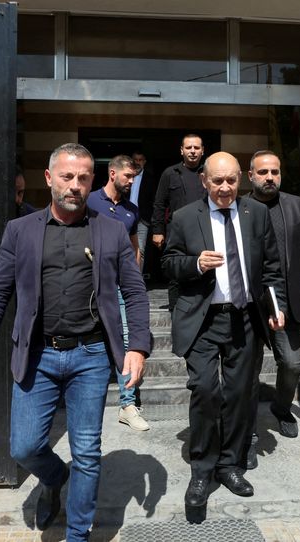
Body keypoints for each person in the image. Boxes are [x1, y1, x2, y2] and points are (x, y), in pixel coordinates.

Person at [0, 143, 151, 541]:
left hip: (91, 356)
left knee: (87, 451)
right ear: (49, 178)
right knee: (24, 447)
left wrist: (137, 346)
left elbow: (135, 293)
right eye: (67, 177)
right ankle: (54, 477)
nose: (75, 186)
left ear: (92, 181)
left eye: (83, 178)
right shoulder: (21, 231)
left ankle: (76, 534)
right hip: (38, 355)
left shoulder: (112, 231)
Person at [161, 151, 286, 522]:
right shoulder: (185, 217)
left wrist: (275, 305)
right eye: (218, 181)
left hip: (245, 318)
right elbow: (167, 263)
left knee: (239, 394)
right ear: (204, 181)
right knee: (205, 391)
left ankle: (230, 465)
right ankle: (202, 470)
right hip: (202, 319)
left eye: (232, 180)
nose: (226, 187)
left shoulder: (256, 214)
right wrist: (195, 263)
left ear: (240, 180)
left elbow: (272, 267)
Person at [245, 150, 300, 469]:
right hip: (253, 301)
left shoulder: (295, 205)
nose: (270, 177)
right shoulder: (241, 207)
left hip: (288, 297)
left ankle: (281, 408)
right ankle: (247, 430)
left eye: (275, 172)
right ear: (250, 175)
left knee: (293, 362)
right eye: (263, 172)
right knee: (247, 370)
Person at [86, 155, 150, 431]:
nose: (132, 181)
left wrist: (135, 279)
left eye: (134, 176)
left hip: (119, 287)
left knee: (125, 342)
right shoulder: (89, 201)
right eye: (128, 176)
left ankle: (127, 405)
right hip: (89, 287)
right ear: (113, 173)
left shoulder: (131, 211)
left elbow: (135, 248)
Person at [151, 134, 206, 310]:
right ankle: (175, 309)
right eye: (188, 147)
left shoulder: (208, 173)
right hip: (176, 232)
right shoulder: (170, 173)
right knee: (175, 272)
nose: (192, 151)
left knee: (202, 269)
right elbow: (159, 204)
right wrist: (157, 230)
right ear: (181, 150)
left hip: (204, 230)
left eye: (196, 148)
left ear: (202, 151)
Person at [128, 151, 158, 271]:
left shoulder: (151, 179)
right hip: (125, 216)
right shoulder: (126, 176)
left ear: (144, 162)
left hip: (142, 219)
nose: (138, 162)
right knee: (122, 248)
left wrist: (149, 218)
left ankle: (137, 283)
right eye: (135, 159)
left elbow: (155, 201)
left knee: (140, 250)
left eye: (140, 160)